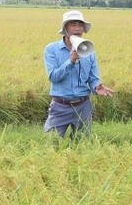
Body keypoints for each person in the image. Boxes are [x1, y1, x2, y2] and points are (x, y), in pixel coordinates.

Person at [43, 9, 114, 137]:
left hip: (83, 106)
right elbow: (53, 77)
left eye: (80, 25)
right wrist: (71, 61)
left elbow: (93, 78)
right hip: (60, 106)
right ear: (65, 29)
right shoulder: (52, 49)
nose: (78, 28)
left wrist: (97, 86)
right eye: (73, 24)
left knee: (82, 144)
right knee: (52, 143)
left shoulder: (89, 50)